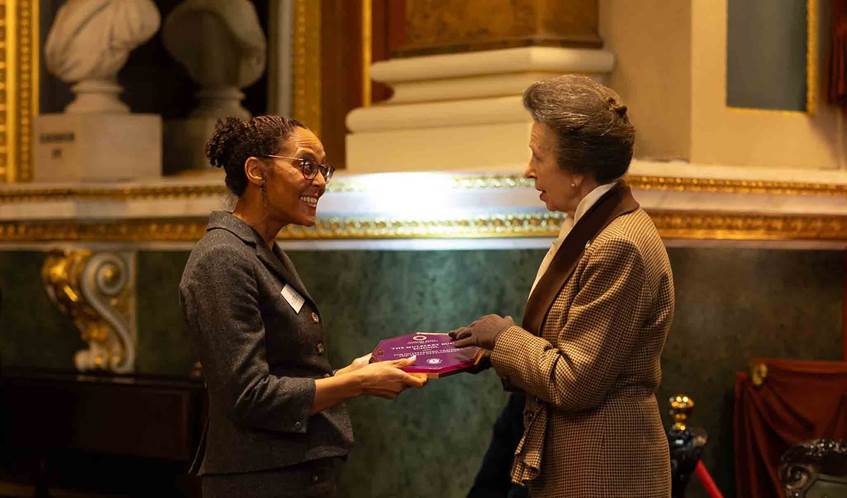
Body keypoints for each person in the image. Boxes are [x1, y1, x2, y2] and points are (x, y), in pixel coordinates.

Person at [179, 115, 426, 498]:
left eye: (324, 169)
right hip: (257, 481)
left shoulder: (262, 251)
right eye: (306, 165)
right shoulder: (222, 258)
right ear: (256, 171)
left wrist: (349, 373)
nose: (321, 182)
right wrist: (356, 383)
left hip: (293, 475)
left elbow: (285, 371)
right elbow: (248, 396)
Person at [451, 75, 674, 498]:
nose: (528, 169)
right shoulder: (588, 225)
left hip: (604, 472)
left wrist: (504, 336)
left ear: (576, 172)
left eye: (538, 156)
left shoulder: (619, 244)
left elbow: (575, 381)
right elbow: (564, 345)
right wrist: (494, 350)